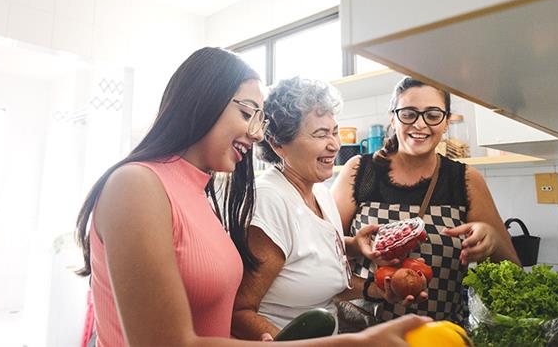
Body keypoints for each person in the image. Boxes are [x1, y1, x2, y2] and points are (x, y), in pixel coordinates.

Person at [75, 48, 430, 346]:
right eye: (246, 113)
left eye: (258, 118)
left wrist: (350, 247)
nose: (256, 132)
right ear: (203, 102)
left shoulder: (203, 193)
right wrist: (356, 343)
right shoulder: (135, 185)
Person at [331, 76, 520, 323]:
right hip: (363, 334)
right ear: (393, 118)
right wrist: (359, 257)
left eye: (432, 115)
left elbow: (513, 271)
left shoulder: (465, 180)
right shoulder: (359, 171)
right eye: (408, 114)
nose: (420, 125)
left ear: (446, 122)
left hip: (439, 334)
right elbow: (320, 252)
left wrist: (492, 240)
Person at [231, 77, 383, 340]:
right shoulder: (270, 201)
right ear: (278, 144)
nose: (335, 144)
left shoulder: (321, 194)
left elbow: (316, 279)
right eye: (321, 134)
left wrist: (376, 286)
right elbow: (240, 311)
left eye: (335, 131)